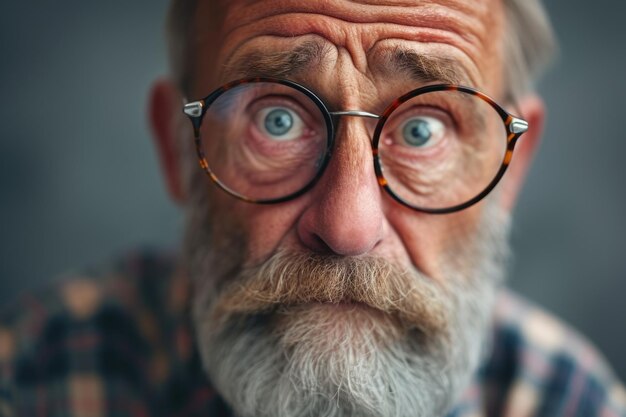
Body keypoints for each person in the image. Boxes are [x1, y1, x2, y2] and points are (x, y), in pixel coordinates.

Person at [1, 0, 625, 416]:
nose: (346, 226)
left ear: (509, 167)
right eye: (277, 120)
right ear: (176, 148)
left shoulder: (570, 402)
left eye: (422, 131)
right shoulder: (34, 378)